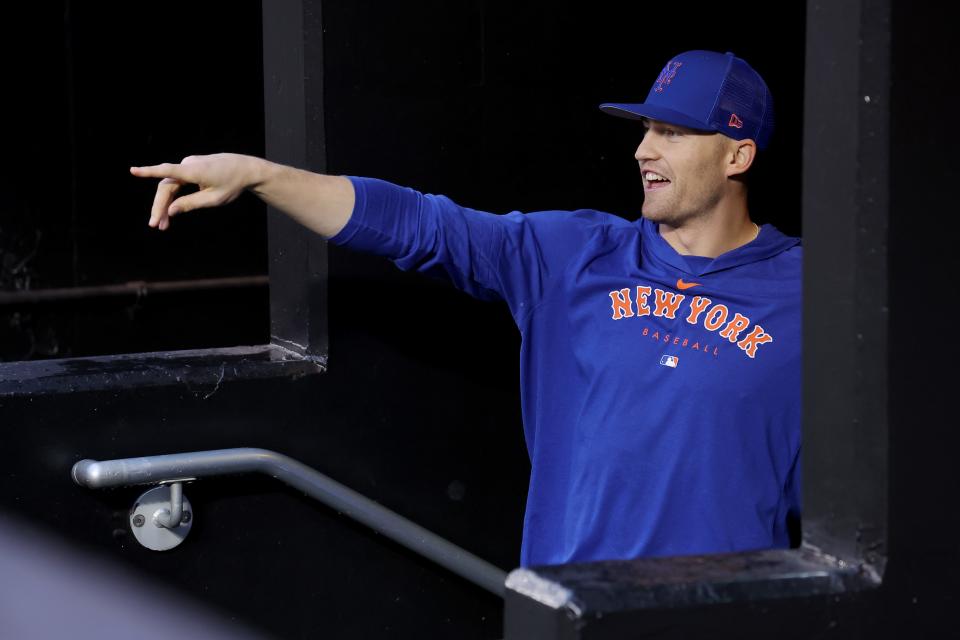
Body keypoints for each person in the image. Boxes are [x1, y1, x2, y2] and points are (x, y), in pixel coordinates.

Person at [131, 50, 800, 568]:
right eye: (646, 129)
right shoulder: (575, 254)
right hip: (579, 609)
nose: (642, 150)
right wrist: (260, 175)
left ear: (738, 154)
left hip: (730, 613)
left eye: (672, 133)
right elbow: (422, 225)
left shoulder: (812, 292)